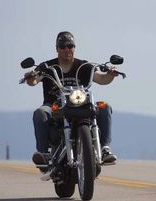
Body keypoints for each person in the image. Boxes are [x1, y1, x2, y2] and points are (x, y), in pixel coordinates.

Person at [24, 31, 118, 167]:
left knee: (105, 107)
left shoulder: (84, 66)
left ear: (74, 47)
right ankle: (44, 153)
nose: (67, 49)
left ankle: (104, 149)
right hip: (54, 106)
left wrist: (110, 74)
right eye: (63, 46)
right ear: (57, 49)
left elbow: (102, 79)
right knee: (40, 113)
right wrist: (30, 76)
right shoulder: (47, 67)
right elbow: (33, 81)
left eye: (70, 45)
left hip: (81, 104)